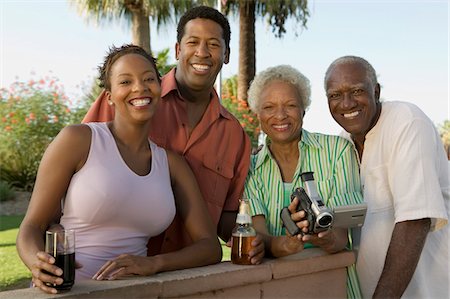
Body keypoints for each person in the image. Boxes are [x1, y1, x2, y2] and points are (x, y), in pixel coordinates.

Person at [16, 44, 222, 294]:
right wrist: (38, 264)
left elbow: (210, 247)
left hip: (135, 292)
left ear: (159, 87)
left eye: (149, 79)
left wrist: (154, 263)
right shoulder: (78, 140)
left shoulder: (171, 164)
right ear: (109, 96)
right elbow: (31, 227)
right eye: (126, 81)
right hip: (68, 290)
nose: (140, 87)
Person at [82, 5, 254, 256]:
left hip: (185, 277)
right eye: (193, 42)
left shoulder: (235, 137)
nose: (202, 52)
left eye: (214, 45)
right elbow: (76, 166)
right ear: (178, 50)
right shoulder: (132, 99)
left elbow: (228, 219)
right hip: (113, 269)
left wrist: (263, 240)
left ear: (226, 54)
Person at [324, 55, 449, 298]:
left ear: (376, 91)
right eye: (335, 95)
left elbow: (415, 220)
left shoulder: (407, 121)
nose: (346, 103)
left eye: (357, 91)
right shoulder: (341, 142)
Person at [244, 65, 364, 297]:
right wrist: (287, 244)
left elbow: (340, 237)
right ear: (258, 114)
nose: (280, 116)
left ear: (303, 110)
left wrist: (322, 237)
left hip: (334, 285)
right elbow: (259, 236)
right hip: (276, 288)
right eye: (269, 107)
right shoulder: (250, 168)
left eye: (290, 105)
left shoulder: (337, 151)